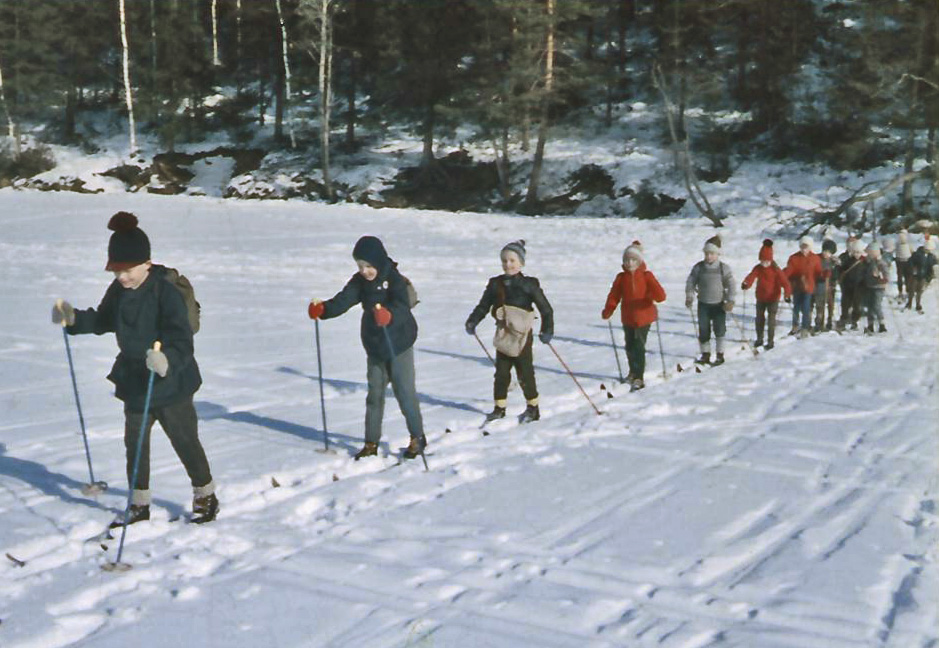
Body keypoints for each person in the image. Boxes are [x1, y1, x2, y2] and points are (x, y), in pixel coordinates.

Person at [52, 212, 217, 527]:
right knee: (135, 444)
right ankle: (139, 504)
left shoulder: (164, 292)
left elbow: (182, 339)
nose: (121, 278)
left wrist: (166, 359)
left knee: (184, 440)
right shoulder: (118, 291)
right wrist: (74, 319)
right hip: (135, 381)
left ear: (146, 263)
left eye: (127, 270)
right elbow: (103, 320)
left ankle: (205, 493)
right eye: (115, 271)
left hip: (172, 383)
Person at [308, 236, 426, 461]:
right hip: (375, 344)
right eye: (360, 266)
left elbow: (403, 307)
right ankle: (371, 442)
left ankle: (417, 437)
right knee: (375, 395)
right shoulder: (359, 282)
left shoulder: (394, 279)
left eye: (369, 266)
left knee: (404, 392)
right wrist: (323, 309)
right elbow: (343, 300)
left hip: (399, 342)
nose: (365, 271)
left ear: (379, 261)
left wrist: (389, 314)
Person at [465, 240, 554, 424]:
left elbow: (546, 309)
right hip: (504, 333)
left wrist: (547, 329)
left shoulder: (529, 284)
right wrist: (473, 320)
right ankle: (499, 408)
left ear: (521, 263)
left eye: (512, 260)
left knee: (525, 371)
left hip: (523, 335)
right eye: (505, 261)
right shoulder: (495, 284)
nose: (508, 264)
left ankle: (533, 407)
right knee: (501, 372)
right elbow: (483, 306)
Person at [601, 241, 666, 391]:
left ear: (640, 261)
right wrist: (609, 309)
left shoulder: (646, 276)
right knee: (629, 346)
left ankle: (639, 377)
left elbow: (661, 295)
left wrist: (653, 296)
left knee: (638, 346)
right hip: (628, 317)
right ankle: (632, 372)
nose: (630, 263)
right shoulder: (621, 278)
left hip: (644, 317)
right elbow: (614, 296)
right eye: (627, 260)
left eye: (633, 260)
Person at [686, 235, 735, 366]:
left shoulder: (723, 268)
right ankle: (705, 354)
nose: (709, 257)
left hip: (719, 304)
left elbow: (731, 284)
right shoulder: (699, 267)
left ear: (717, 254)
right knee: (703, 329)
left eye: (712, 254)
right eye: (707, 254)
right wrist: (689, 296)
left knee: (719, 330)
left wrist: (730, 301)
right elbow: (691, 281)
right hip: (703, 304)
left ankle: (720, 355)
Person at [741, 239, 791, 350]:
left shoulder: (776, 270)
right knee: (759, 319)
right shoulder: (758, 268)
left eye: (767, 261)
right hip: (761, 297)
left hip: (773, 298)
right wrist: (746, 284)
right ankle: (759, 339)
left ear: (771, 260)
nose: (764, 263)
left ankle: (770, 341)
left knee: (771, 320)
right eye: (762, 261)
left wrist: (787, 295)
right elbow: (751, 277)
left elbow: (785, 283)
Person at [784, 236, 826, 338]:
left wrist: (822, 276)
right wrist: (782, 276)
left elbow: (818, 271)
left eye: (806, 247)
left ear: (810, 247)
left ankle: (805, 327)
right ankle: (795, 325)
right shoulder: (794, 258)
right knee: (796, 307)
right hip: (797, 286)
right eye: (802, 247)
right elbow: (789, 271)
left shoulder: (815, 258)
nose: (804, 249)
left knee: (806, 308)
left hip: (809, 287)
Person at [836, 237, 866, 331]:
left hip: (859, 287)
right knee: (845, 304)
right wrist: (837, 267)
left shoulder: (864, 262)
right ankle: (844, 320)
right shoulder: (848, 260)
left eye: (858, 252)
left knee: (857, 305)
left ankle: (854, 321)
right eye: (855, 252)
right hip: (847, 286)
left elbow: (868, 273)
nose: (857, 254)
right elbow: (841, 270)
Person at [862, 240, 889, 333]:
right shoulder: (868, 262)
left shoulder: (880, 263)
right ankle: (870, 324)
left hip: (878, 287)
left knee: (876, 305)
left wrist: (880, 277)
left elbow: (886, 275)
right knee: (870, 306)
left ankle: (882, 324)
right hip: (869, 286)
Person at [906, 237, 938, 313]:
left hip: (923, 276)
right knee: (912, 289)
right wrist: (912, 269)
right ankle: (909, 303)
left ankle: (918, 304)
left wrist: (929, 277)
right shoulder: (917, 254)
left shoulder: (931, 257)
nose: (928, 251)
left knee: (920, 291)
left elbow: (931, 267)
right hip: (915, 275)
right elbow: (910, 262)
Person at [813, 238, 838, 332]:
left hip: (831, 286)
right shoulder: (817, 259)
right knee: (820, 304)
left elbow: (837, 273)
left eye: (828, 252)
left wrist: (833, 275)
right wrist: (822, 275)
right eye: (825, 251)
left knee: (830, 304)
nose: (826, 254)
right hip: (820, 285)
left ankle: (830, 320)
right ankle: (819, 322)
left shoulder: (834, 262)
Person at [895, 229, 913, 300]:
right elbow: (911, 251)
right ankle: (908, 291)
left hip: (899, 261)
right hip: (907, 261)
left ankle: (900, 292)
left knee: (899, 277)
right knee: (907, 276)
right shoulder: (908, 243)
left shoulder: (897, 243)